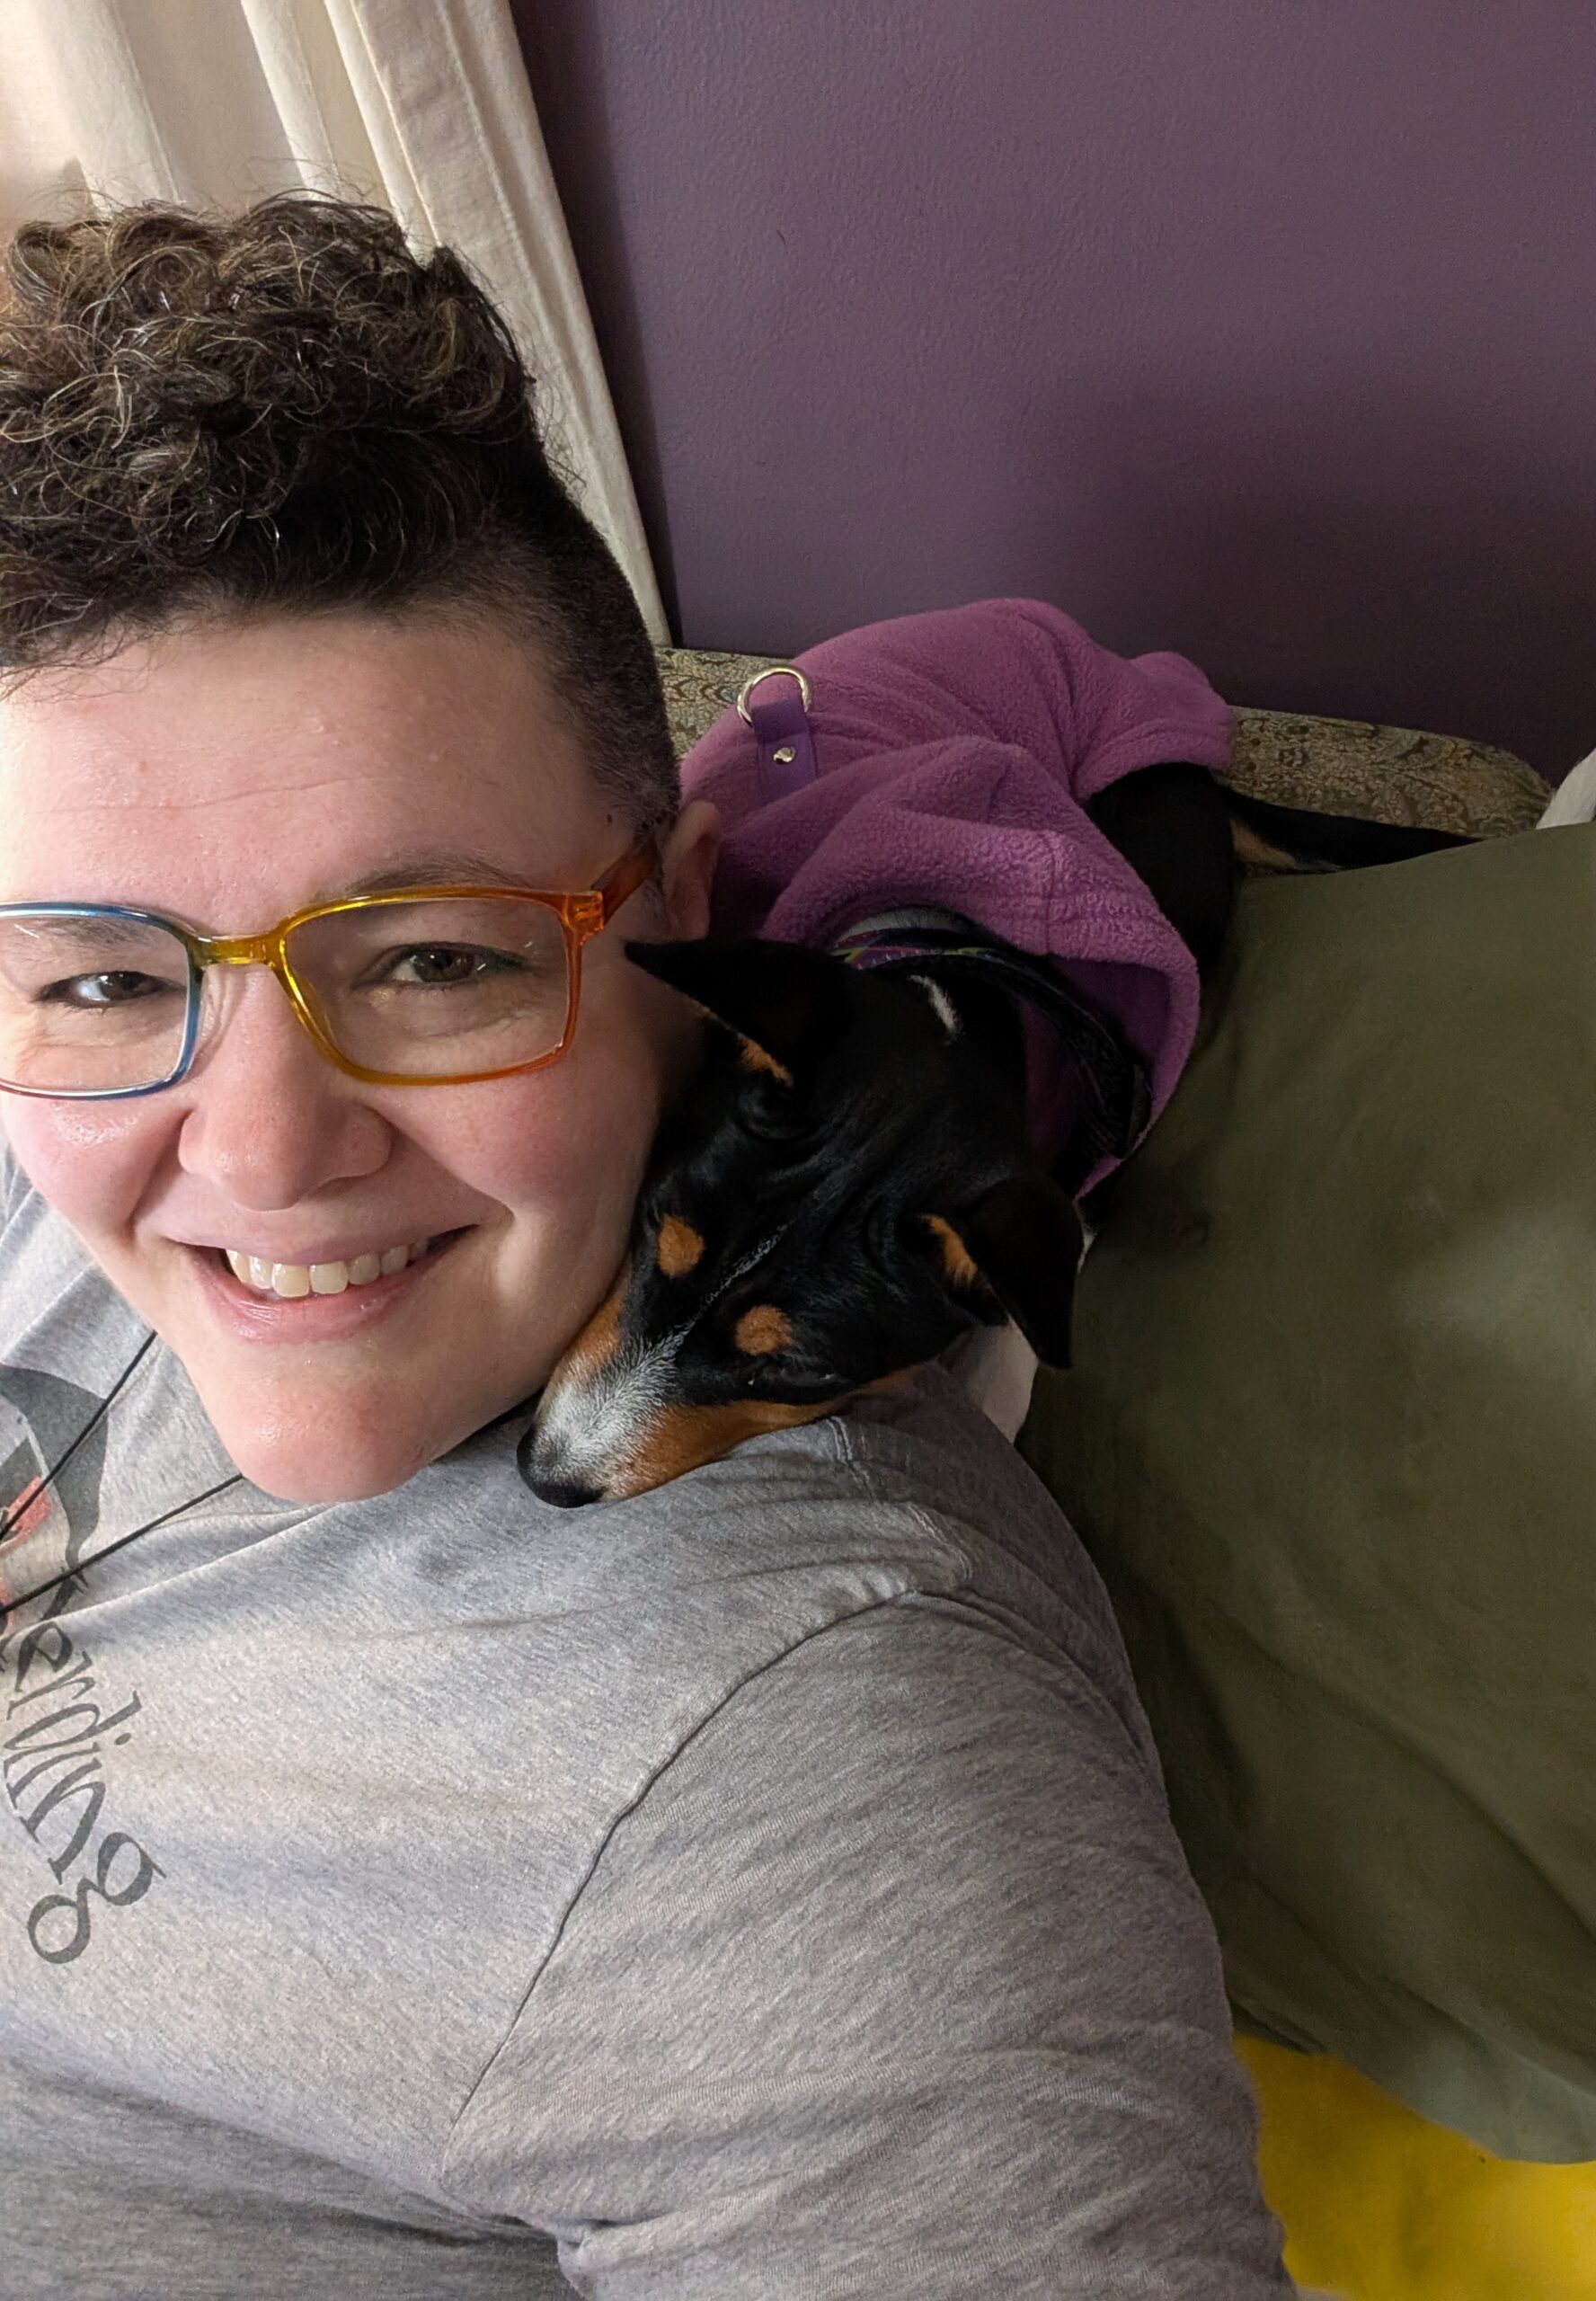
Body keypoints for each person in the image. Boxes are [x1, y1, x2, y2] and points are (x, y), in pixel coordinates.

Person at [0, 193, 1290, 2297]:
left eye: (433, 957)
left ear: (683, 914)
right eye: (100, 977)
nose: (260, 1154)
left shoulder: (818, 1794)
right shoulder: (55, 1128)